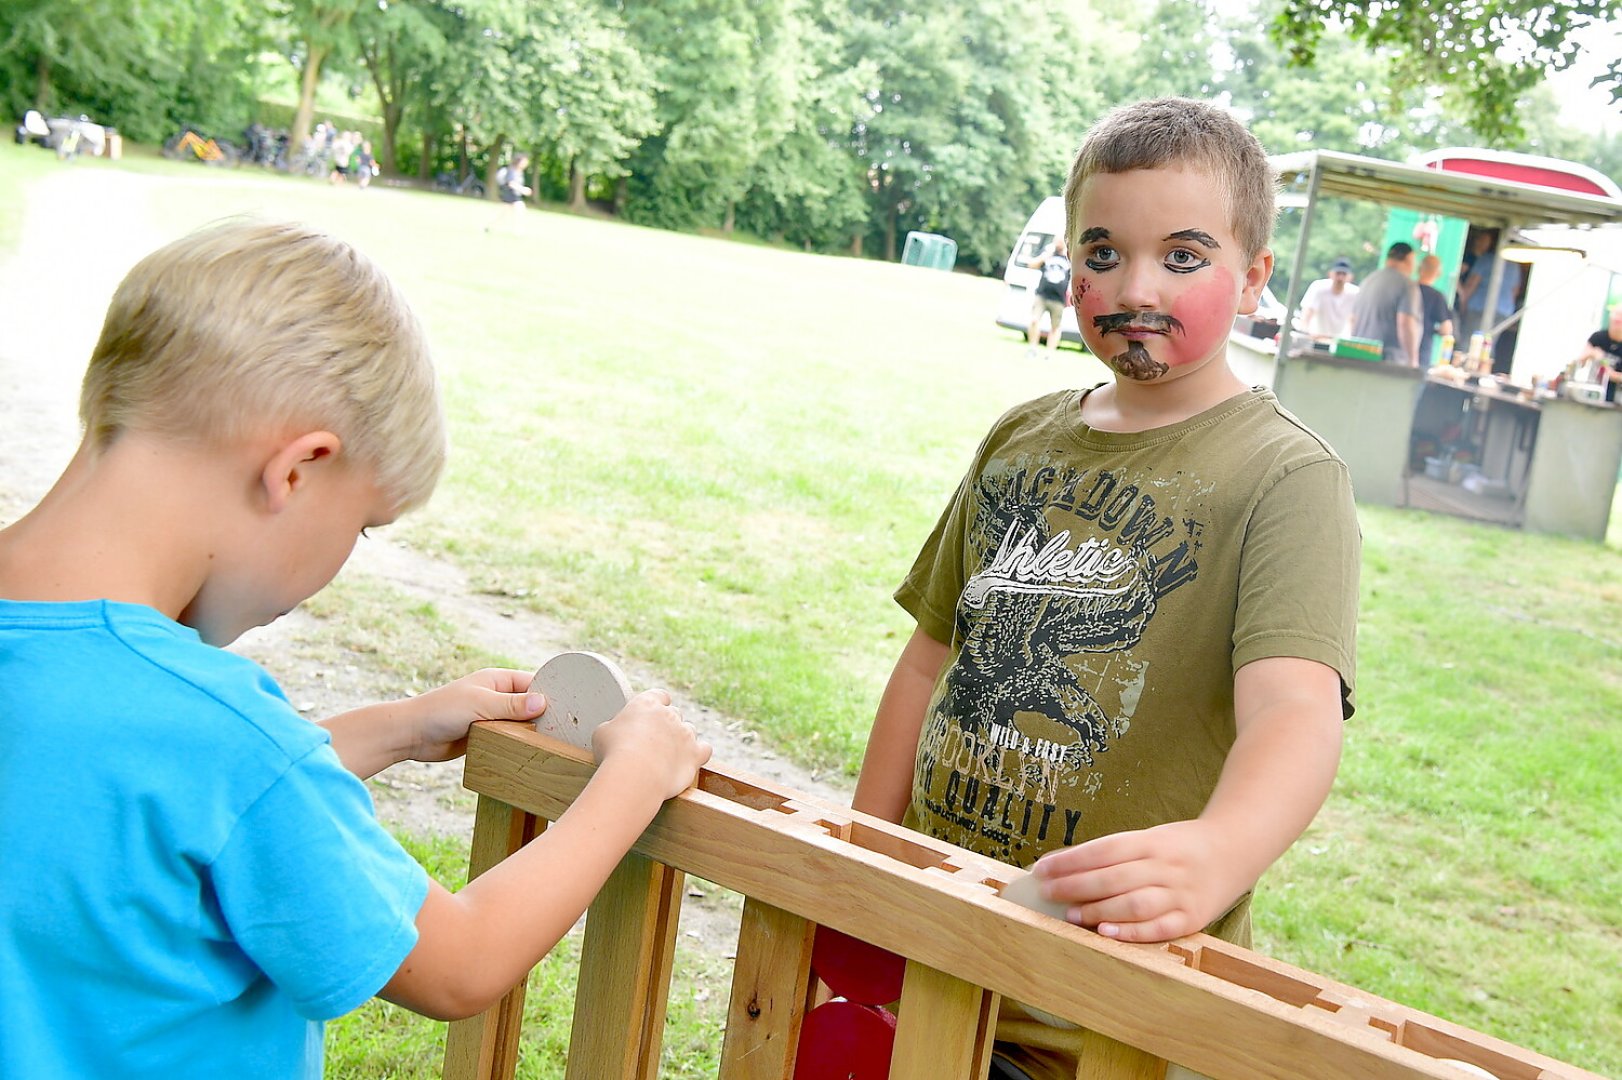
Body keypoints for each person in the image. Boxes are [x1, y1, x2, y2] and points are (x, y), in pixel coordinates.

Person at [0, 219, 712, 1076]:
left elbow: (124, 798)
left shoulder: (171, 735)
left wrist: (395, 730)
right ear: (297, 469)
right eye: (364, 526)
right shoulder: (220, 737)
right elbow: (461, 962)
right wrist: (633, 773)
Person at [851, 97, 1358, 1080]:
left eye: (1180, 256)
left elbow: (1294, 713)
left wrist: (1218, 851)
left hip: (1101, 1016)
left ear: (1253, 277)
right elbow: (926, 664)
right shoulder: (1016, 437)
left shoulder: (1285, 478)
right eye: (1100, 252)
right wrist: (862, 861)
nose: (1132, 287)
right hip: (929, 965)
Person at [1349, 241, 1422, 365]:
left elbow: (1352, 319)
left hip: (1358, 356)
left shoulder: (1368, 280)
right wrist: (1412, 361)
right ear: (1409, 259)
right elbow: (1405, 323)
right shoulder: (1406, 284)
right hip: (1387, 361)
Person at [1025, 239, 1072, 358]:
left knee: (1055, 327)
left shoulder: (1069, 258)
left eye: (1060, 241)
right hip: (1042, 295)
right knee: (1034, 320)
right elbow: (1032, 265)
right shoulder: (1048, 255)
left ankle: (1049, 353)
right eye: (1056, 241)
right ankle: (1032, 348)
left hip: (1058, 299)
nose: (1058, 244)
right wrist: (1046, 255)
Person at [1296, 256, 1359, 338]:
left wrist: (1352, 339)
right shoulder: (1319, 288)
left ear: (1350, 277)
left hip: (1339, 340)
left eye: (1344, 274)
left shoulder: (1354, 293)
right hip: (1315, 337)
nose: (1340, 278)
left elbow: (1353, 320)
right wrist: (1305, 333)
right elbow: (1307, 314)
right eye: (1338, 273)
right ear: (1331, 274)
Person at [1414, 253, 1455, 366]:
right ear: (1438, 273)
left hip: (1399, 348)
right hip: (1422, 349)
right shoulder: (1437, 296)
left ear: (1419, 269)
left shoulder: (1407, 289)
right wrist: (1434, 330)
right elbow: (1446, 329)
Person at [1577, 302, 1622, 404]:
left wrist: (1604, 364)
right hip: (1593, 393)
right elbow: (1579, 362)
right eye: (1616, 318)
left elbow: (1613, 375)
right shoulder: (1598, 337)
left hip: (1617, 399)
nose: (1617, 323)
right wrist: (1591, 353)